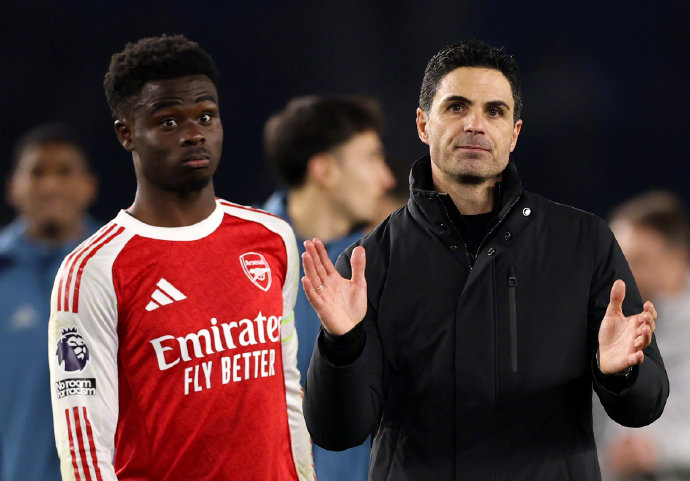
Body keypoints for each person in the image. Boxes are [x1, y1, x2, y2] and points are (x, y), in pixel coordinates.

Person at [300, 39, 669, 480]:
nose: (475, 124)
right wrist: (342, 346)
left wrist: (620, 373)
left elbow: (645, 407)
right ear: (423, 124)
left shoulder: (584, 242)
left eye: (494, 111)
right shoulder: (368, 263)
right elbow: (337, 431)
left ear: (514, 133)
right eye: (456, 107)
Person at [48, 35, 314, 481]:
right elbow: (84, 444)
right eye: (169, 122)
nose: (195, 134)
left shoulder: (271, 237)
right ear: (126, 133)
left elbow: (287, 388)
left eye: (206, 116)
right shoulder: (94, 270)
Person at [262, 94, 395, 481]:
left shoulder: (388, 262)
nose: (386, 178)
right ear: (324, 170)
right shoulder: (232, 259)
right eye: (372, 158)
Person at [0, 123, 98, 481]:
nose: (51, 185)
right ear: (13, 187)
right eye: (38, 172)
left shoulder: (123, 267)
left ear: (88, 186)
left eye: (64, 171)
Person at [595, 191, 690, 481]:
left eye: (639, 260)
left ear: (679, 260)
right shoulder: (601, 325)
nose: (622, 275)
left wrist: (656, 451)